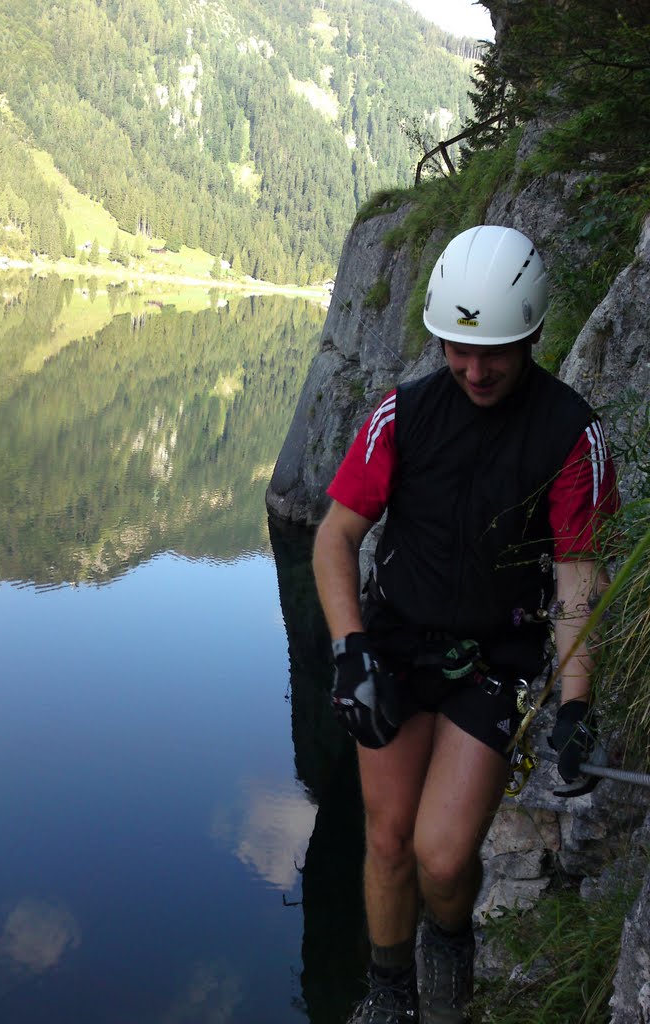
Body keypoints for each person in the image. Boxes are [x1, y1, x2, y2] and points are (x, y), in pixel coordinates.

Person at [311, 225, 619, 1024]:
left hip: (498, 654)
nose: (475, 370)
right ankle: (390, 996)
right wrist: (351, 652)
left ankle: (448, 964)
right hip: (398, 640)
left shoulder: (570, 437)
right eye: (459, 349)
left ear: (534, 338)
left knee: (442, 858)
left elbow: (580, 576)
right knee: (386, 841)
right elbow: (335, 536)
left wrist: (576, 706)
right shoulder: (403, 415)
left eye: (497, 353)